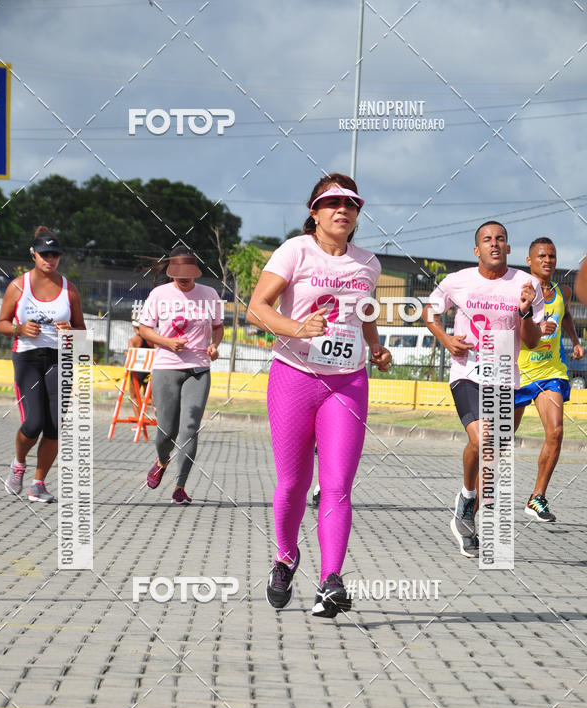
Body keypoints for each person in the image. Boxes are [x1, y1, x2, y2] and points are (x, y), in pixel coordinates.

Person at [247, 173, 392, 618]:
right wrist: (297, 328)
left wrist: (376, 347)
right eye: (331, 203)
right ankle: (286, 558)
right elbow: (257, 309)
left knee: (337, 487)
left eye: (350, 203)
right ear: (314, 211)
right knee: (293, 483)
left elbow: (365, 314)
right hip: (295, 375)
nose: (342, 210)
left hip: (348, 382)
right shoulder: (295, 250)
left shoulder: (368, 263)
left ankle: (331, 581)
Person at [422, 221, 544, 557]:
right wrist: (447, 340)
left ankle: (466, 514)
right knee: (482, 439)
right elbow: (430, 312)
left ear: (508, 247)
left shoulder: (527, 284)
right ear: (477, 250)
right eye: (487, 240)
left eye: (500, 239)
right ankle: (468, 495)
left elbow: (532, 342)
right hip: (467, 372)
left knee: (492, 454)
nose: (494, 244)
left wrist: (526, 311)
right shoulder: (457, 281)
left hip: (505, 375)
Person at [0, 226, 85, 502]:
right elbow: (0, 323)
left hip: (60, 359)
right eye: (44, 253)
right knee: (33, 423)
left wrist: (69, 328)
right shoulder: (18, 286)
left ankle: (39, 484)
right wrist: (19, 329)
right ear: (33, 254)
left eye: (55, 254)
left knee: (56, 425)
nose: (50, 258)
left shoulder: (69, 290)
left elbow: (81, 331)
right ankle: (19, 463)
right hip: (28, 358)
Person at [138, 246, 224, 505]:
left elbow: (218, 327)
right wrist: (166, 342)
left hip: (199, 369)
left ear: (196, 272)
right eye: (178, 275)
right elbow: (144, 329)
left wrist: (214, 345)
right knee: (166, 431)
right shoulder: (159, 294)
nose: (184, 279)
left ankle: (180, 487)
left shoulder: (209, 294)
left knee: (190, 427)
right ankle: (162, 461)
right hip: (166, 367)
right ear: (171, 272)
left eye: (188, 274)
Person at [515, 238, 584, 522]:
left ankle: (537, 497)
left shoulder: (562, 291)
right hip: (518, 372)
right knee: (500, 440)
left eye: (552, 256)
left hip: (551, 372)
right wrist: (534, 326)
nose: (548, 260)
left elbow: (565, 314)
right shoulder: (519, 291)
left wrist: (575, 341)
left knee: (555, 433)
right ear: (529, 260)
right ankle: (478, 496)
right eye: (542, 256)